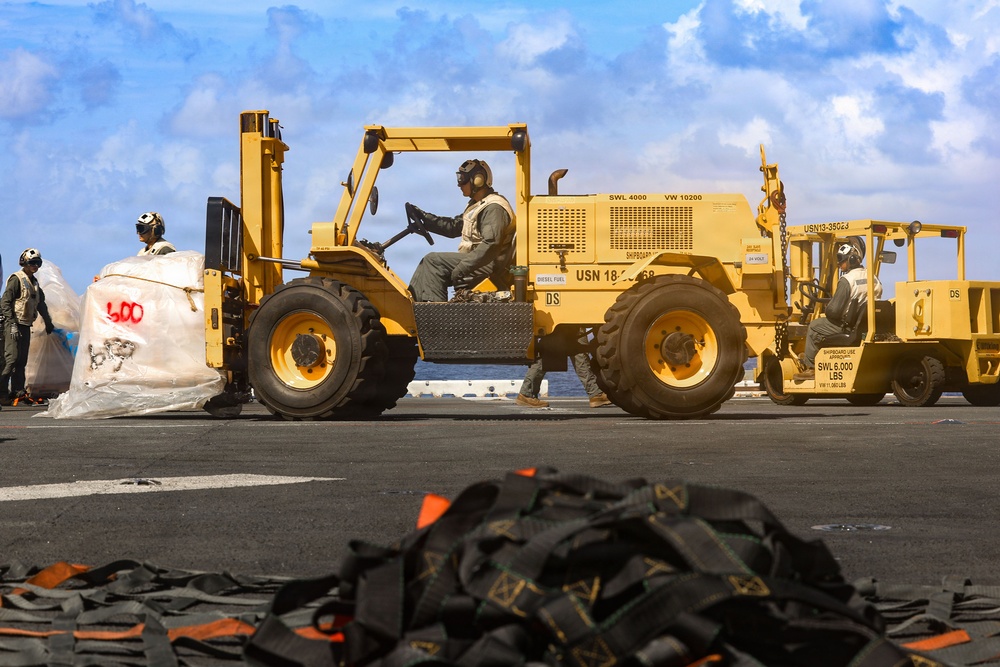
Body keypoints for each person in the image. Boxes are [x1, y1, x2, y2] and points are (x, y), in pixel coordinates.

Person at [408, 159, 515, 302]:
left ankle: (436, 318)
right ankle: (414, 309)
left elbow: (491, 243)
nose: (459, 184)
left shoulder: (493, 207)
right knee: (425, 266)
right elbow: (454, 227)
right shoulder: (477, 205)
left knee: (433, 262)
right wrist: (426, 220)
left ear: (478, 180)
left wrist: (463, 267)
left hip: (490, 265)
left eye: (462, 179)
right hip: (481, 262)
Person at [794, 242, 882, 380]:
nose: (839, 263)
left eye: (841, 259)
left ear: (851, 259)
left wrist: (828, 305)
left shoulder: (847, 280)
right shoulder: (873, 277)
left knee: (814, 326)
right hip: (866, 324)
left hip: (847, 325)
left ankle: (811, 368)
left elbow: (833, 312)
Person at [1, 248, 55, 405]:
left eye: (37, 263)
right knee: (11, 359)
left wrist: (48, 322)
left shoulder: (35, 283)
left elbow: (41, 304)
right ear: (24, 263)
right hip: (12, 324)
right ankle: (1, 392)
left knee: (21, 361)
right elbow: (5, 302)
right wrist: (11, 324)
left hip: (25, 325)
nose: (35, 266)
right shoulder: (16, 279)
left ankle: (17, 391)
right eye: (32, 263)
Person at [516, 329, 612, 408]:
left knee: (579, 354)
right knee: (550, 354)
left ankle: (595, 394)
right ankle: (526, 393)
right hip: (565, 318)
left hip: (568, 319)